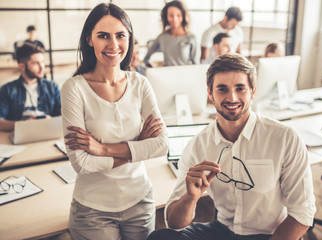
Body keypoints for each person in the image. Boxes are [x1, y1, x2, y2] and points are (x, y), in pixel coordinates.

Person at [147, 53, 316, 240]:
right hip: (223, 231)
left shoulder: (285, 138)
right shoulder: (198, 144)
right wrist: (190, 197)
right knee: (160, 237)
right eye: (222, 89)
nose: (232, 97)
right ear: (210, 94)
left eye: (240, 88)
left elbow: (303, 213)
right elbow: (174, 223)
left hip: (270, 234)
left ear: (253, 91)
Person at [60, 3, 168, 240]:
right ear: (89, 39)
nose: (113, 45)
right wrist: (138, 146)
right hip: (92, 209)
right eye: (103, 36)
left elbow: (162, 145)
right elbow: (82, 164)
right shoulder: (74, 88)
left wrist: (103, 149)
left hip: (140, 200)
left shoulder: (140, 83)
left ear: (129, 38)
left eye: (120, 35)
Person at [0, 42, 61, 131]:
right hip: (21, 132)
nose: (42, 67)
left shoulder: (52, 87)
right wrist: (22, 125)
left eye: (42, 62)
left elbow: (64, 116)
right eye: (36, 63)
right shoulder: (7, 90)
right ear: (22, 66)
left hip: (48, 130)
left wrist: (51, 121)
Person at [143, 0, 197, 67]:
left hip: (185, 75)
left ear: (183, 16)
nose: (175, 19)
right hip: (165, 76)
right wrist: (154, 70)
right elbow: (146, 59)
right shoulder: (162, 37)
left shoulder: (191, 38)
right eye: (171, 15)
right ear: (166, 17)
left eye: (178, 15)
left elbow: (196, 65)